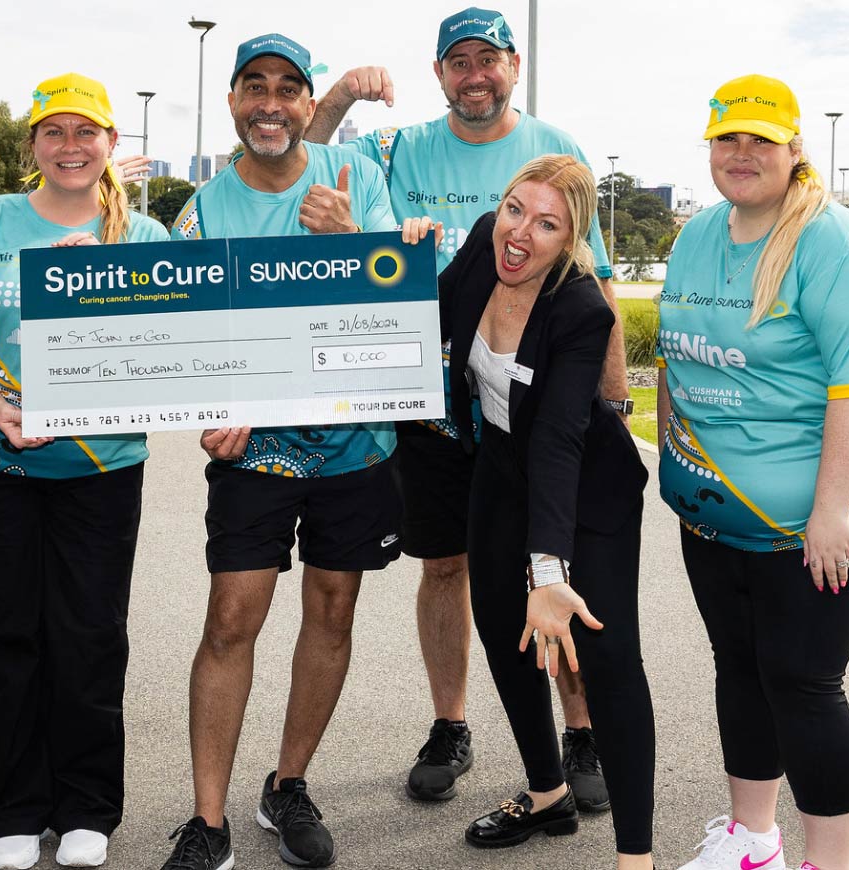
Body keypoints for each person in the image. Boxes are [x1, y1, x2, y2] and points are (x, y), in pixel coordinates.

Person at [301, 6, 627, 808]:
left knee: (553, 567)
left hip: (537, 400)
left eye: (489, 59)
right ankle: (452, 724)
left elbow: (601, 287)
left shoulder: (556, 152)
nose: (474, 74)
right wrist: (341, 92)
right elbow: (308, 159)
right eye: (458, 61)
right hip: (439, 400)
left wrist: (613, 406)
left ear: (514, 65)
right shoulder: (394, 147)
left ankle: (581, 731)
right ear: (439, 71)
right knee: (444, 565)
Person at [156, 33, 401, 870]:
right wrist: (210, 407)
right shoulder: (202, 209)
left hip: (357, 447)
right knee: (232, 619)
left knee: (333, 613)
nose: (271, 103)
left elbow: (396, 306)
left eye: (289, 89)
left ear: (307, 103)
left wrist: (347, 239)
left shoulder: (355, 179)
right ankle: (209, 818)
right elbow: (184, 335)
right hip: (255, 454)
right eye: (254, 87)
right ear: (231, 101)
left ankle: (287, 783)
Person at [656, 75, 849, 870]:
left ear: (794, 150)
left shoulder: (835, 244)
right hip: (714, 513)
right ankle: (751, 839)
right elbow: (677, 355)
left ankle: (829, 863)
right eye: (728, 138)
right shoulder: (699, 234)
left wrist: (831, 511)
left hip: (813, 520)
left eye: (760, 140)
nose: (742, 154)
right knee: (739, 669)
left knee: (803, 684)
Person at [0, 72, 170, 870]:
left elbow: (180, 351)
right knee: (1, 635)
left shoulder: (144, 237)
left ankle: (89, 806)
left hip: (101, 468)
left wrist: (101, 292)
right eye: (54, 132)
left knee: (90, 637)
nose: (71, 147)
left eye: (86, 132)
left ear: (111, 144)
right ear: (33, 144)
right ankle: (16, 813)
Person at [423, 154, 654, 867]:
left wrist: (547, 569)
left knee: (608, 657)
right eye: (516, 209)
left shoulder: (582, 308)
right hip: (498, 467)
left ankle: (635, 857)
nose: (520, 232)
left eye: (547, 223)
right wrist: (383, 253)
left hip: (587, 488)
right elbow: (412, 321)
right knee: (504, 630)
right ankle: (547, 792)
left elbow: (558, 437)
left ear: (572, 237)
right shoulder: (483, 243)